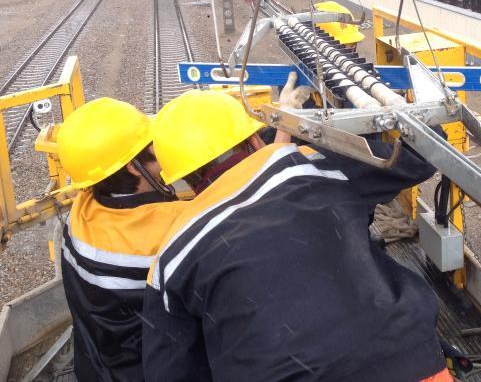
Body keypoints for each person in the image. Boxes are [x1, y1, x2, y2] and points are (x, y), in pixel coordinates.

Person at [142, 89, 451, 381]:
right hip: (409, 361)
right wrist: (395, 106)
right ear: (254, 139)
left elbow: (170, 371)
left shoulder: (172, 256)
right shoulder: (315, 165)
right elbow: (420, 157)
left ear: (181, 179)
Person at [57, 97, 187, 382]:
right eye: (153, 144)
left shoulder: (82, 209)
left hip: (95, 365)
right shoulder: (169, 231)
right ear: (133, 167)